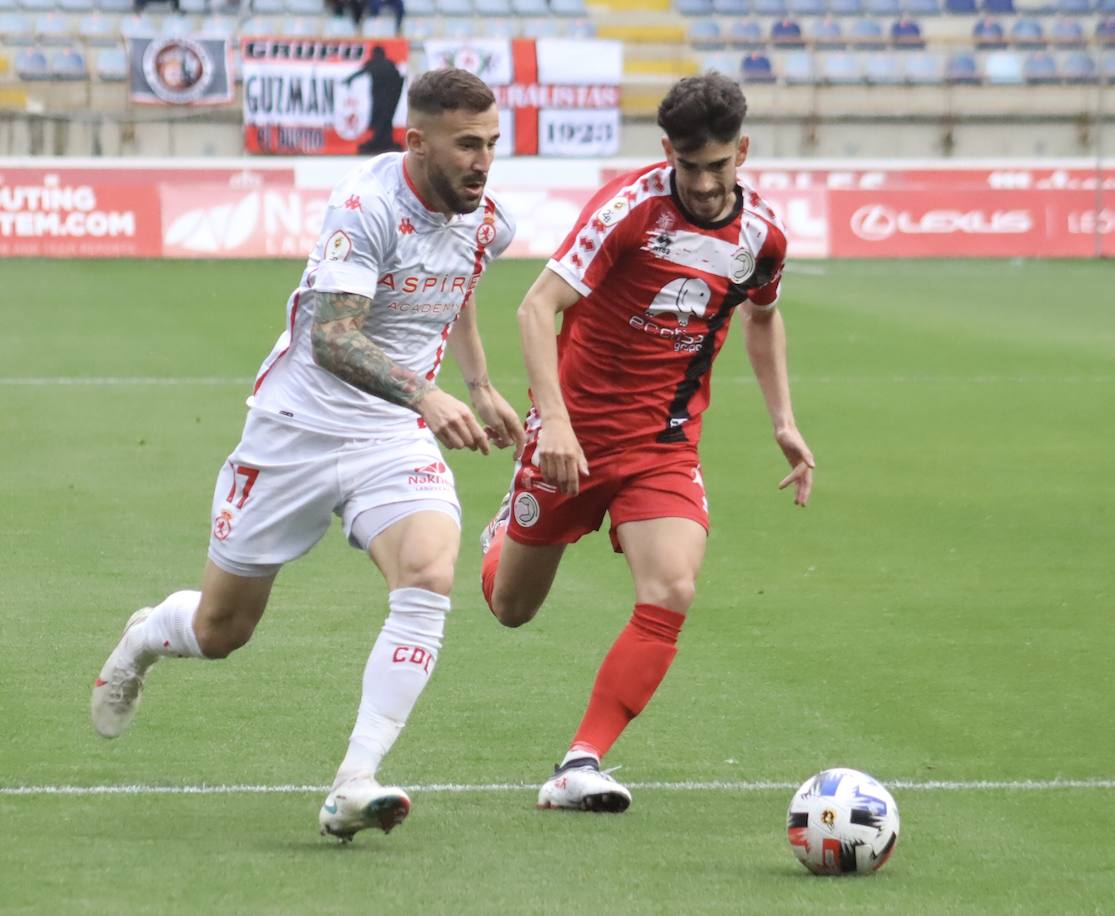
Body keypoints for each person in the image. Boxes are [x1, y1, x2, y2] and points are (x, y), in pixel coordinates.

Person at [89, 68, 524, 843]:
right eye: (466, 145)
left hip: (388, 437)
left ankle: (354, 781)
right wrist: (426, 395)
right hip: (296, 427)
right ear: (416, 140)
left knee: (428, 571)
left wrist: (480, 383)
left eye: (492, 143)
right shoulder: (365, 207)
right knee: (223, 631)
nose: (483, 161)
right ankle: (144, 637)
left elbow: (456, 287)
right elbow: (330, 337)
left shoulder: (486, 218)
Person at [478, 72, 815, 812]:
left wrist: (782, 420)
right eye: (688, 165)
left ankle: (579, 762)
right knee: (511, 609)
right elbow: (537, 309)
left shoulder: (761, 236)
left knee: (672, 588)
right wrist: (556, 422)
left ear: (743, 153)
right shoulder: (630, 210)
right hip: (572, 433)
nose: (701, 182)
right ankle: (503, 528)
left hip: (662, 444)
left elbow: (762, 316)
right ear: (667, 151)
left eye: (718, 166)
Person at [344, 47, 405, 155]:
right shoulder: (388, 64)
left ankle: (382, 142)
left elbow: (361, 72)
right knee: (383, 121)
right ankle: (382, 141)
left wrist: (349, 80)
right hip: (386, 99)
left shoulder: (378, 63)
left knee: (383, 121)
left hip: (383, 99)